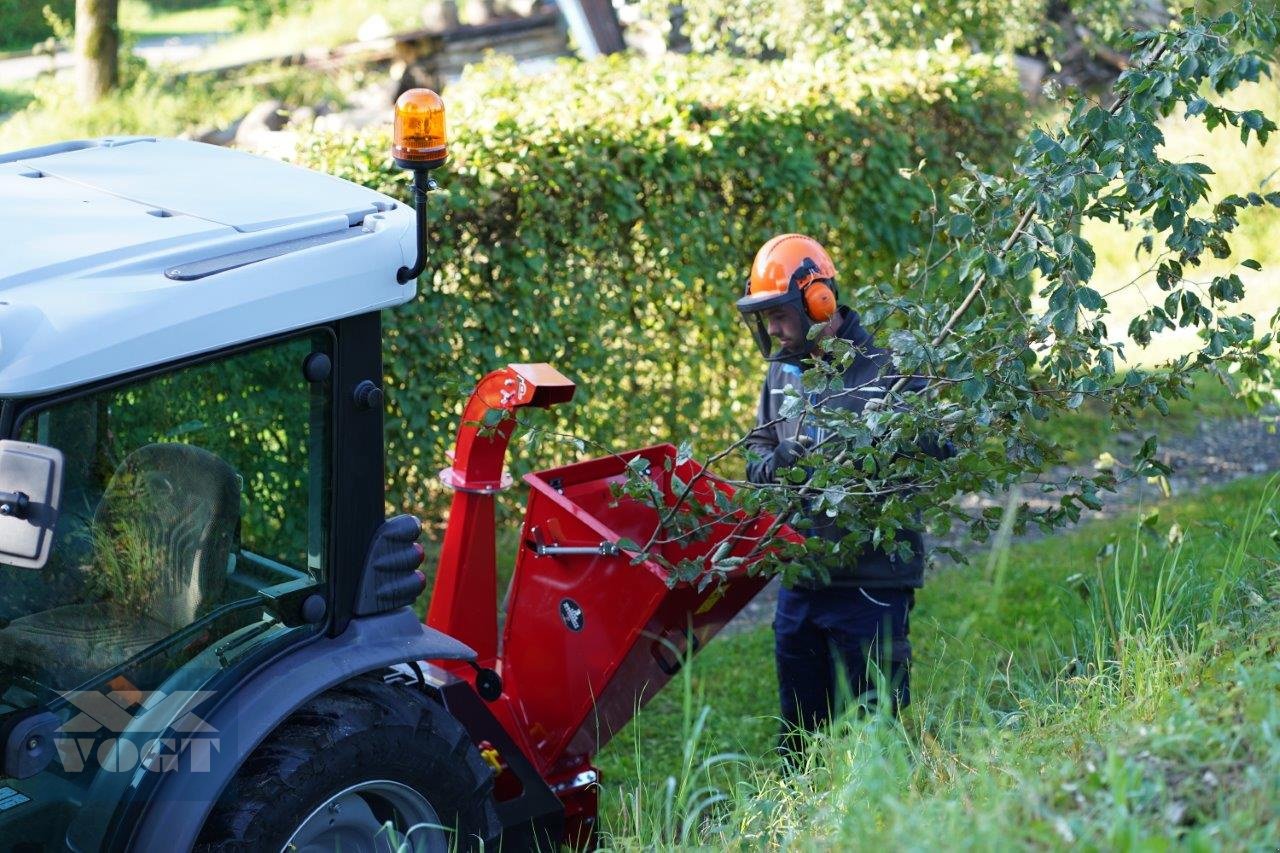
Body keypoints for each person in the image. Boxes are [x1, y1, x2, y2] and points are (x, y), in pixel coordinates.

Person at [736, 233, 933, 752]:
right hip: (802, 578)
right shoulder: (782, 373)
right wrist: (773, 464)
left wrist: (900, 441)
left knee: (873, 735)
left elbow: (940, 455)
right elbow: (755, 452)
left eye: (780, 314)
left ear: (818, 300)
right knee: (799, 737)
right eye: (767, 318)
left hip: (870, 583)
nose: (774, 330)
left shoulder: (890, 373)